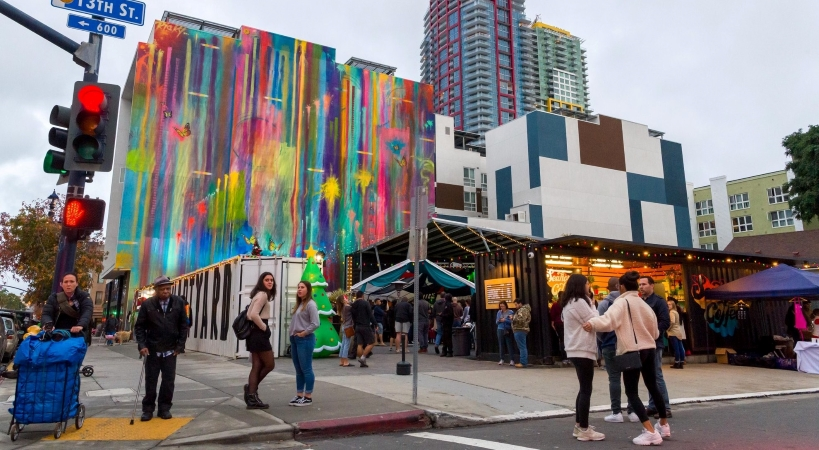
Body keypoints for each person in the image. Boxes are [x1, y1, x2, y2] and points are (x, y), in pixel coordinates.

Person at [584, 271, 671, 446]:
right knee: (653, 386)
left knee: (631, 392)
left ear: (621, 287)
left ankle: (650, 431)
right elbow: (655, 331)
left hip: (632, 350)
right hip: (649, 348)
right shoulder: (644, 303)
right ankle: (663, 425)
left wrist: (591, 324)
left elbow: (608, 321)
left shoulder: (621, 302)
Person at [135, 276, 189, 421]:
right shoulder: (148, 305)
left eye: (168, 288)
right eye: (163, 289)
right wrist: (142, 345)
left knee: (168, 382)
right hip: (152, 349)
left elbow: (184, 325)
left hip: (171, 350)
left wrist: (180, 345)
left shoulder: (178, 302)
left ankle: (164, 408)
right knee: (151, 381)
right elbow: (139, 326)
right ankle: (148, 409)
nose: (166, 291)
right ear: (156, 290)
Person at [561, 275, 605, 441]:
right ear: (581, 285)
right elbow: (595, 319)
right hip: (582, 348)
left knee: (583, 388)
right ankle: (584, 428)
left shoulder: (569, 302)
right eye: (587, 283)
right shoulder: (579, 301)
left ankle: (580, 425)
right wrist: (593, 304)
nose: (589, 286)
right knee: (586, 389)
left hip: (575, 348)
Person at [598, 277, 638, 424]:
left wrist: (603, 341)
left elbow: (600, 325)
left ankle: (616, 412)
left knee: (614, 378)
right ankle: (633, 411)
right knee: (631, 380)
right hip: (629, 344)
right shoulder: (630, 303)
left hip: (610, 344)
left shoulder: (604, 304)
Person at [638, 276, 671, 418]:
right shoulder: (640, 301)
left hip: (655, 343)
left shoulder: (659, 301)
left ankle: (665, 407)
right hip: (643, 343)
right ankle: (653, 405)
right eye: (639, 284)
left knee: (656, 375)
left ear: (652, 285)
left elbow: (665, 321)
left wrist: (653, 333)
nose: (641, 287)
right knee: (649, 375)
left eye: (644, 284)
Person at [244, 272, 277, 409]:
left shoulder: (259, 294)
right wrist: (265, 328)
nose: (270, 282)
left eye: (271, 280)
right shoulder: (262, 295)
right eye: (267, 280)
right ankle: (251, 390)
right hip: (259, 334)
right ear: (261, 281)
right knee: (269, 364)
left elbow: (249, 314)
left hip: (254, 334)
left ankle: (251, 394)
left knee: (257, 366)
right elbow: (252, 315)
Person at [288, 281, 320, 407]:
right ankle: (299, 394)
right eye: (298, 287)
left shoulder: (311, 305)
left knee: (306, 368)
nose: (299, 289)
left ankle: (308, 396)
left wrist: (304, 333)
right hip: (295, 340)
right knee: (298, 369)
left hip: (305, 340)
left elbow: (316, 323)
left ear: (308, 290)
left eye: (302, 287)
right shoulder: (300, 304)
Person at [41, 272, 94, 340]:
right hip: (56, 335)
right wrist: (48, 324)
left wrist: (80, 325)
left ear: (77, 283)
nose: (68, 284)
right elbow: (46, 313)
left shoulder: (85, 297)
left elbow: (87, 312)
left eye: (72, 281)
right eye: (66, 282)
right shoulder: (53, 297)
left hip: (77, 335)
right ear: (61, 284)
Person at [351, 291, 377, 367]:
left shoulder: (353, 305)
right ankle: (363, 357)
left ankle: (363, 361)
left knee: (360, 344)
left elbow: (353, 316)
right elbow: (370, 314)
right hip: (365, 325)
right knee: (372, 342)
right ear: (362, 296)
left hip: (357, 326)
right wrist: (375, 323)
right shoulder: (365, 303)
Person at [511, 298, 531, 368]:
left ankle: (523, 362)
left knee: (522, 347)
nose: (515, 306)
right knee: (522, 346)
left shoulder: (523, 310)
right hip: (521, 329)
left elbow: (521, 320)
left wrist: (513, 318)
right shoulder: (524, 310)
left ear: (520, 303)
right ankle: (523, 361)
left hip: (520, 329)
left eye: (516, 304)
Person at [666, 299, 685, 369]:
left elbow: (672, 321)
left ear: (673, 305)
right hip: (678, 331)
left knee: (676, 348)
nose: (668, 306)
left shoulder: (671, 312)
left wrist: (667, 329)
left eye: (669, 304)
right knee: (680, 347)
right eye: (667, 304)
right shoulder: (676, 312)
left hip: (673, 332)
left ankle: (677, 362)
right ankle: (681, 362)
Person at [496, 300, 515, 366]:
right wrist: (499, 320)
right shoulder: (499, 312)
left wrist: (505, 320)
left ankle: (512, 359)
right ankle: (502, 359)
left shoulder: (510, 312)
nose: (502, 307)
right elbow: (497, 322)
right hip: (500, 329)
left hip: (507, 329)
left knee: (509, 344)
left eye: (503, 306)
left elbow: (511, 321)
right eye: (500, 306)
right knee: (501, 344)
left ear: (506, 306)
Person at [551, 291, 567, 362]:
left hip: (558, 323)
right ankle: (568, 356)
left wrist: (552, 322)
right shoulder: (566, 304)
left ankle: (563, 357)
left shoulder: (555, 305)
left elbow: (552, 315)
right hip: (566, 322)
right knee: (567, 339)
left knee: (561, 339)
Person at [337, 295, 353, 367]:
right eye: (345, 298)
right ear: (342, 300)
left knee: (343, 343)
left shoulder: (342, 307)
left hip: (344, 326)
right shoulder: (347, 307)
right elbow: (353, 306)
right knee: (347, 344)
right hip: (348, 326)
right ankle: (345, 361)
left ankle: (342, 360)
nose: (346, 299)